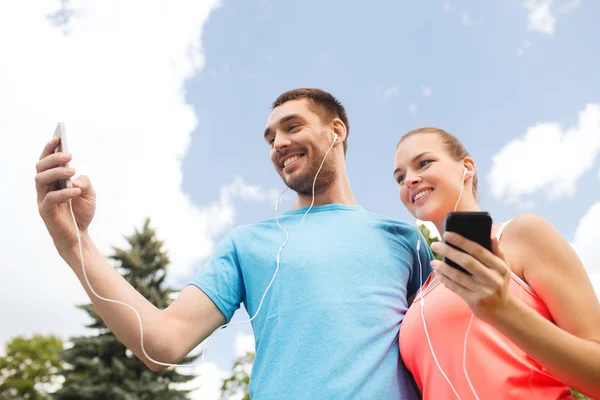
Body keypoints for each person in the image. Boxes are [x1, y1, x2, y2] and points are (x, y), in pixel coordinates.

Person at [35, 88, 434, 399]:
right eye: (270, 137)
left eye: (292, 127)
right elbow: (162, 343)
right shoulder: (248, 244)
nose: (277, 143)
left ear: (336, 130)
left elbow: (443, 354)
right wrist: (75, 244)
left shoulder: (405, 241)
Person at [393, 127, 600, 399]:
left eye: (424, 163)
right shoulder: (420, 293)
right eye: (400, 177)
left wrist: (505, 311)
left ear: (466, 168)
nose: (410, 179)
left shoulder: (521, 235)